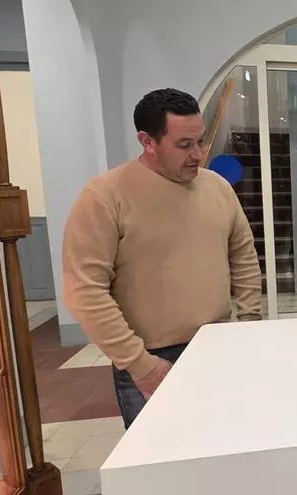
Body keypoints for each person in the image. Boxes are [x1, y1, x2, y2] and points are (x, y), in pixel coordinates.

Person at [62, 88, 262, 429]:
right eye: (184, 145)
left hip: (219, 346)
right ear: (147, 141)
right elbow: (84, 290)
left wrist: (248, 323)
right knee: (162, 457)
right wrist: (140, 365)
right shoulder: (104, 197)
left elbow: (243, 256)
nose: (198, 154)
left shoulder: (218, 188)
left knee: (225, 442)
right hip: (151, 358)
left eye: (200, 141)